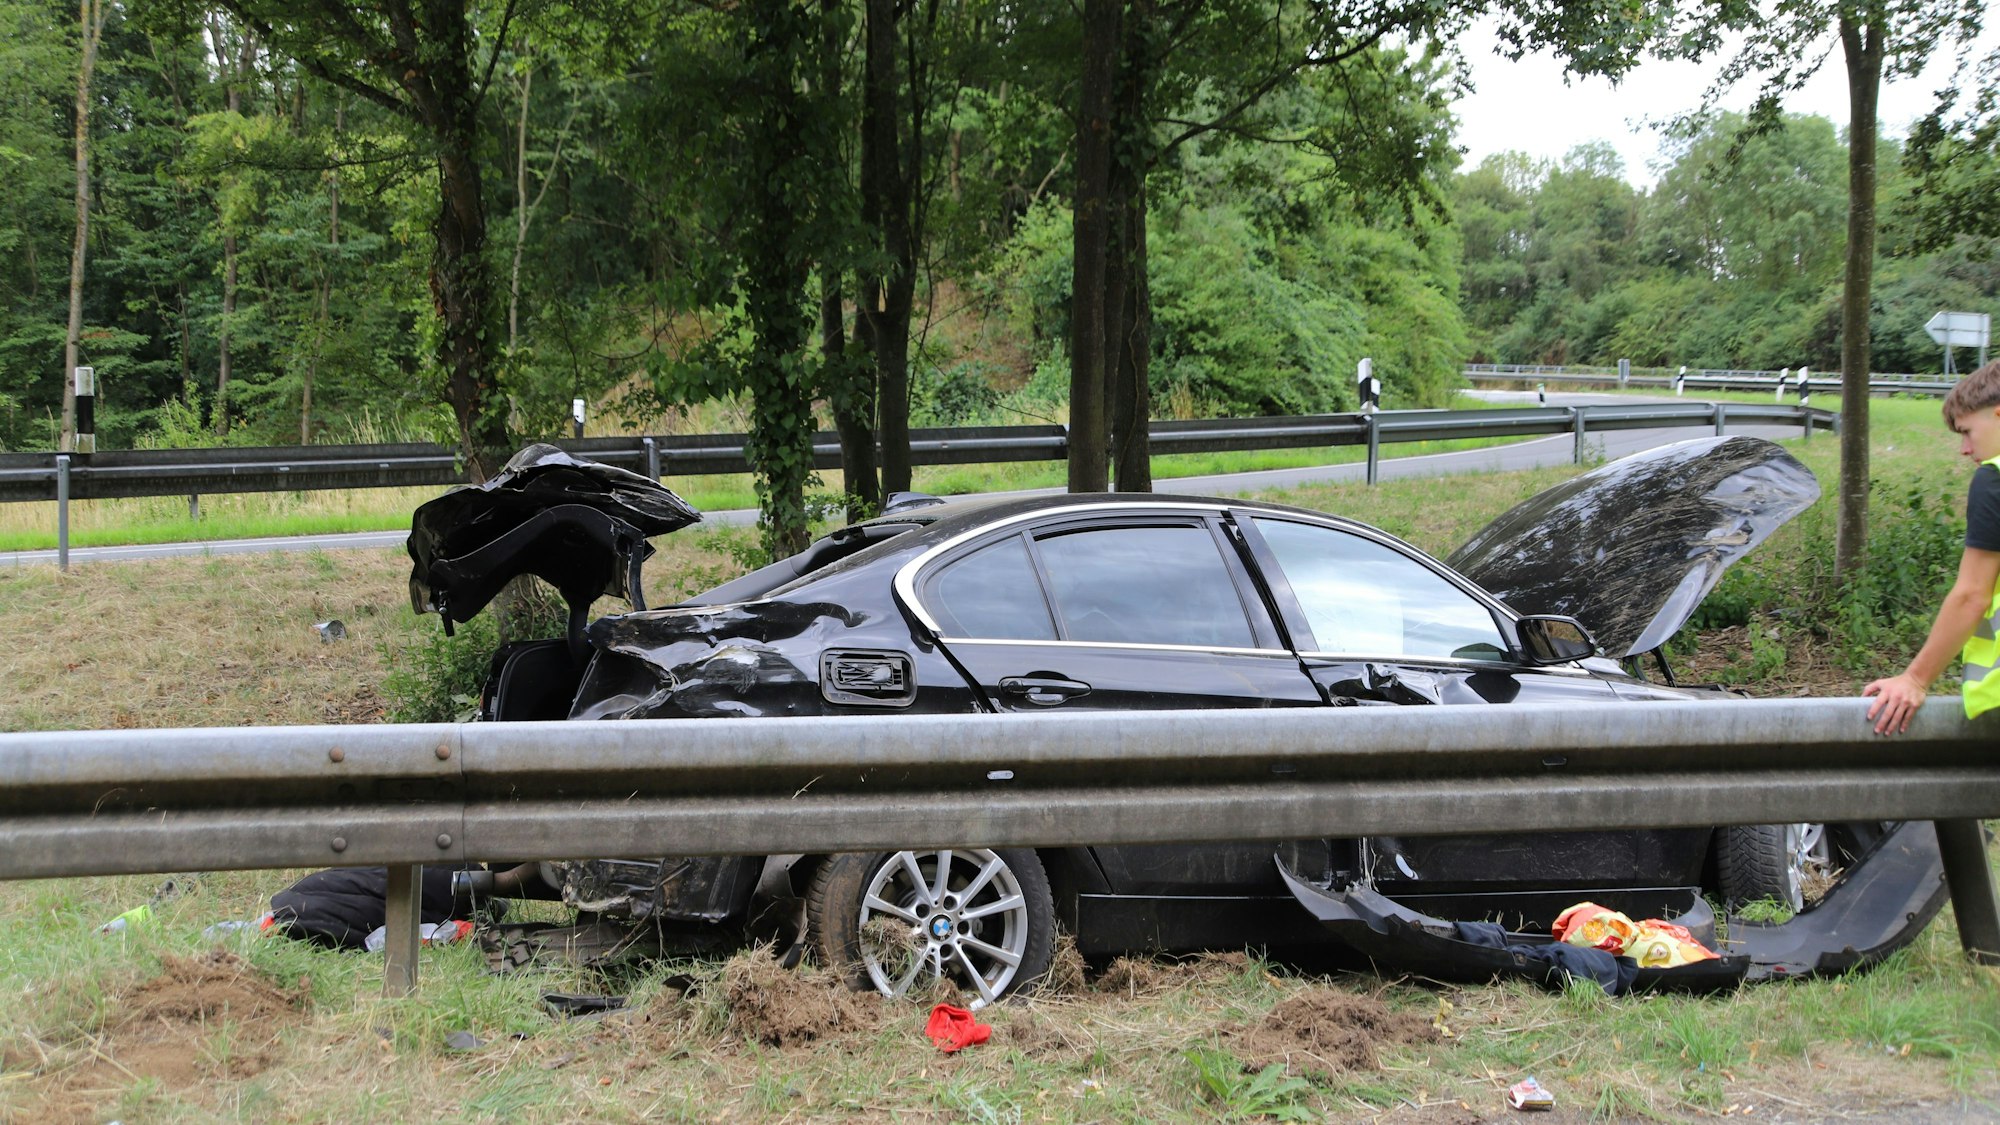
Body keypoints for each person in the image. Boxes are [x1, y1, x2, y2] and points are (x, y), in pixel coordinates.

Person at [1863, 359, 2000, 734]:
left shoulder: (1995, 480)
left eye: (1967, 431)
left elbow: (1973, 594)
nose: (1964, 448)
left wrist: (1916, 679)